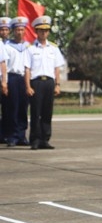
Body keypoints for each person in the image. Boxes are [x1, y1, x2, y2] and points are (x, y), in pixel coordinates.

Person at [24, 16, 65, 150]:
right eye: (41, 30)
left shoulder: (53, 48)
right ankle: (35, 139)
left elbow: (57, 68)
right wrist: (28, 86)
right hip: (36, 82)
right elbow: (27, 69)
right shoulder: (30, 49)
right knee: (36, 112)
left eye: (46, 30)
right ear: (36, 31)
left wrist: (58, 84)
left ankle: (45, 139)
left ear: (48, 32)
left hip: (49, 82)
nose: (44, 33)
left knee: (47, 112)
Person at [4, 17, 29, 147]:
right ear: (13, 31)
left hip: (24, 78)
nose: (20, 32)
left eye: (22, 29)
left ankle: (21, 135)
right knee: (12, 107)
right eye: (17, 29)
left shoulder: (28, 46)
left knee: (23, 107)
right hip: (12, 77)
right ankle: (12, 136)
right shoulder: (7, 46)